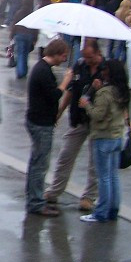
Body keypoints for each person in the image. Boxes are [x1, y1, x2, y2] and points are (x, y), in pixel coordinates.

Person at [44, 40, 106, 212]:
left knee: (95, 162)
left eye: (90, 57)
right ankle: (54, 191)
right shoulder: (80, 65)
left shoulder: (107, 69)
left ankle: (88, 197)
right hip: (78, 118)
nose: (86, 60)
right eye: (84, 56)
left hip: (98, 121)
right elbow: (71, 92)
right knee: (66, 155)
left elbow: (117, 95)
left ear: (98, 53)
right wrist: (60, 112)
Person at [78, 59, 131, 222]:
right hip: (117, 137)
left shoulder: (105, 93)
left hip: (103, 137)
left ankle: (100, 212)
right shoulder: (122, 91)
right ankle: (113, 209)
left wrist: (86, 105)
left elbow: (98, 115)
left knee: (103, 177)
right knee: (113, 175)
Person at [24, 39, 72, 216]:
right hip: (41, 123)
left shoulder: (41, 68)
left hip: (38, 120)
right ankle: (36, 202)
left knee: (36, 161)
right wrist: (65, 82)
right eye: (63, 56)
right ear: (57, 54)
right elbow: (54, 95)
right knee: (40, 163)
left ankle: (33, 197)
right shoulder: (43, 71)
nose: (64, 59)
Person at [10, 0, 39, 79]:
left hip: (19, 35)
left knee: (20, 54)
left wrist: (11, 36)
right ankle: (24, 71)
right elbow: (35, 28)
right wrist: (35, 38)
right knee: (26, 54)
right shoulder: (32, 14)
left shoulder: (19, 13)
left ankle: (20, 72)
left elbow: (14, 25)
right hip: (29, 36)